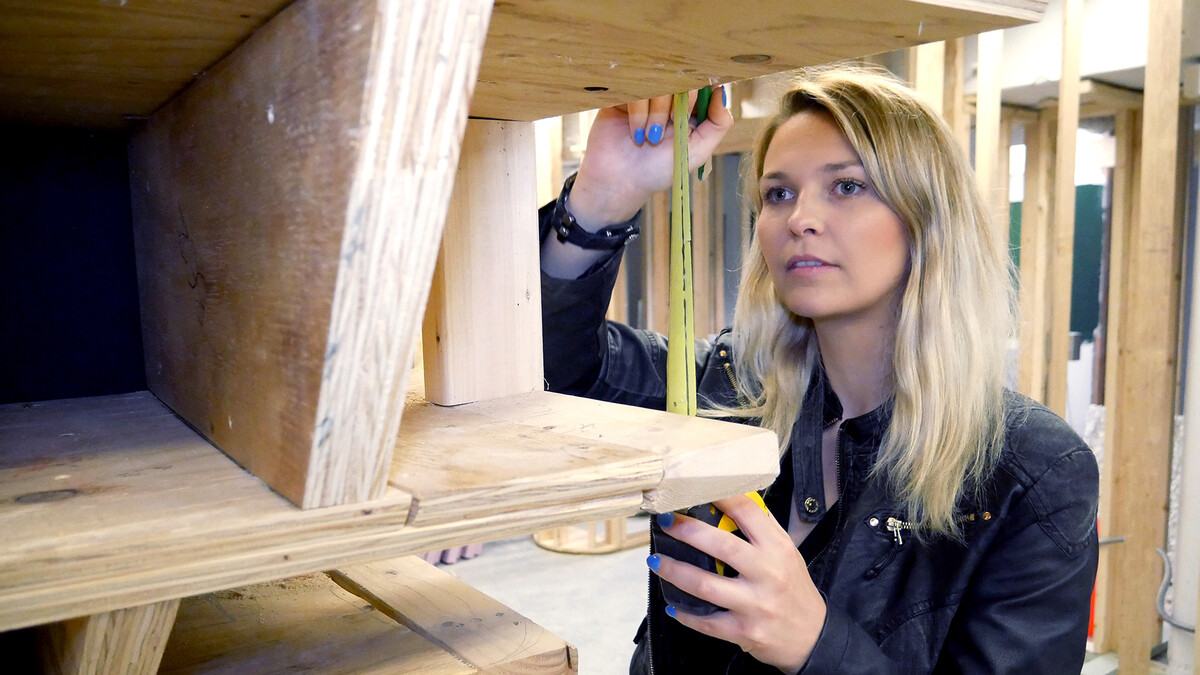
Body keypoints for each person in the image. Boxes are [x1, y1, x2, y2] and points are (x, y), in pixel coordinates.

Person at [538, 65, 1099, 673]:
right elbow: (558, 376)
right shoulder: (730, 388)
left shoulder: (1032, 473)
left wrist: (816, 645)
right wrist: (603, 195)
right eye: (778, 193)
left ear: (927, 220)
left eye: (847, 186)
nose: (799, 218)